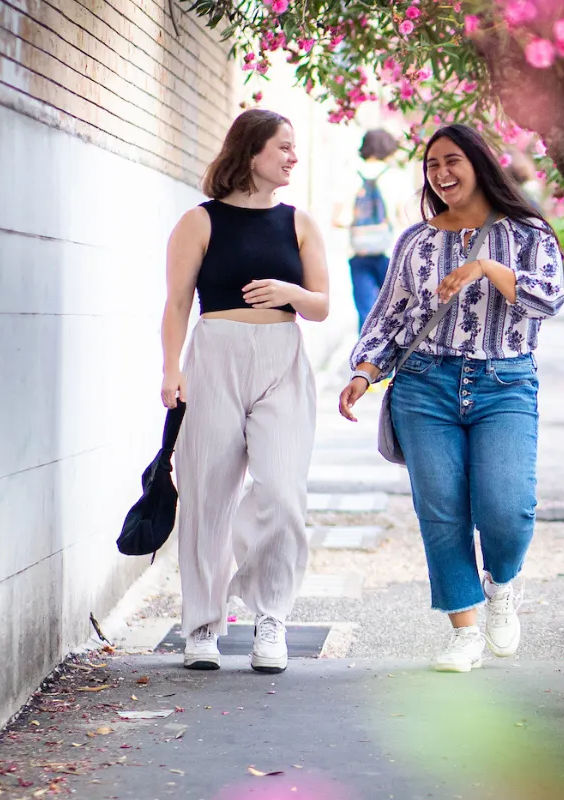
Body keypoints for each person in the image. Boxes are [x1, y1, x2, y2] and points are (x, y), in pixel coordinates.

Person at [337, 124, 564, 672]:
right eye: (432, 165)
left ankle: (502, 583)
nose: (441, 174)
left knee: (507, 510)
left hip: (505, 382)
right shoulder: (416, 242)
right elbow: (390, 318)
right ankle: (464, 633)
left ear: (479, 163)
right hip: (424, 385)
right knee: (440, 513)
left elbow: (548, 300)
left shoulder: (530, 234)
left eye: (452, 161)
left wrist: (487, 268)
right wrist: (365, 374)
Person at [160, 109, 331, 673]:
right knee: (206, 495)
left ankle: (270, 615)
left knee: (282, 491)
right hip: (213, 358)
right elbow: (178, 303)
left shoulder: (300, 223)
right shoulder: (200, 221)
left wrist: (289, 290)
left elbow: (322, 306)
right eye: (283, 147)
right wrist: (170, 369)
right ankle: (204, 625)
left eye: (294, 147)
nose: (292, 157)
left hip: (282, 357)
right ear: (251, 150)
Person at [342, 129, 407, 331]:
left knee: (365, 310)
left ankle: (365, 356)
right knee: (393, 308)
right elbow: (404, 217)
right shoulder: (396, 176)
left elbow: (339, 218)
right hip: (390, 252)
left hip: (358, 251)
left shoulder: (350, 174)